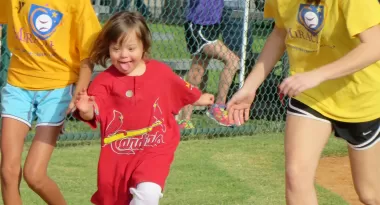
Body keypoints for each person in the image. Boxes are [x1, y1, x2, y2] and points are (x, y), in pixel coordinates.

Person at [227, 0, 380, 204]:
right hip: (309, 93)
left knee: (370, 194)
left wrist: (319, 74)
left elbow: (375, 45)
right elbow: (280, 33)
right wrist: (249, 87)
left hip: (361, 96)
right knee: (296, 176)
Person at [74, 11, 215, 205]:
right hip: (119, 156)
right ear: (108, 49)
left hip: (155, 148)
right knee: (114, 197)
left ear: (143, 47)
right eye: (116, 49)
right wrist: (85, 109)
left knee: (148, 194)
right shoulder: (104, 81)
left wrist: (198, 98)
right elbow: (94, 111)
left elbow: (179, 87)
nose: (124, 55)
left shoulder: (160, 72)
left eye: (131, 48)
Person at [0, 0, 101, 204]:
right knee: (7, 172)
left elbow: (88, 56)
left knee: (34, 175)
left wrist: (78, 93)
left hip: (58, 89)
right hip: (18, 86)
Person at [177, 0, 240, 129]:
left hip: (211, 25)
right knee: (232, 61)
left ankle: (185, 120)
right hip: (199, 25)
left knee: (197, 73)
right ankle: (218, 107)